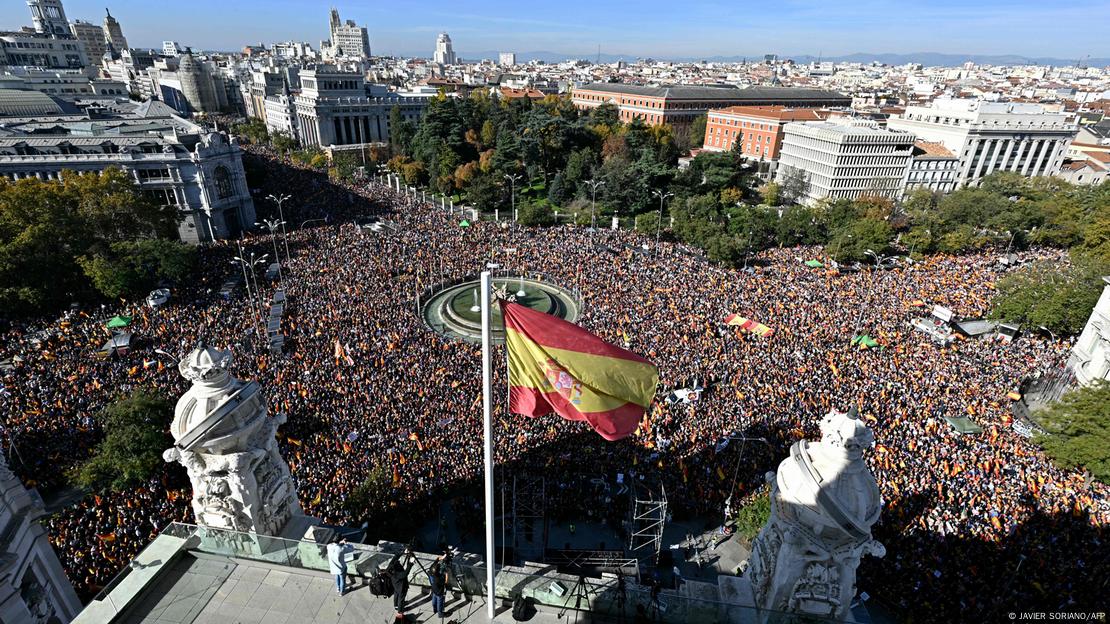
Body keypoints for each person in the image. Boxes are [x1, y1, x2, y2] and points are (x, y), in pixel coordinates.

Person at [388, 546, 414, 617]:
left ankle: (395, 605)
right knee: (401, 599)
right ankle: (400, 610)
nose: (399, 562)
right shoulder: (398, 574)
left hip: (395, 585)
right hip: (401, 587)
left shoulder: (390, 566)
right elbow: (405, 573)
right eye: (398, 564)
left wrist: (403, 552)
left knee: (396, 594)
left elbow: (395, 557)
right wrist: (411, 563)